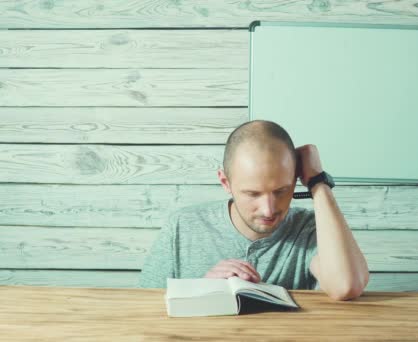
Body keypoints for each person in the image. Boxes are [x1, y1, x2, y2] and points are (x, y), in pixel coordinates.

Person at [139, 120, 369, 300]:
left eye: (281, 191)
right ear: (225, 182)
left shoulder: (310, 229)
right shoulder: (183, 226)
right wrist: (202, 288)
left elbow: (346, 286)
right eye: (253, 194)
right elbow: (144, 307)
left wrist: (318, 183)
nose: (269, 210)